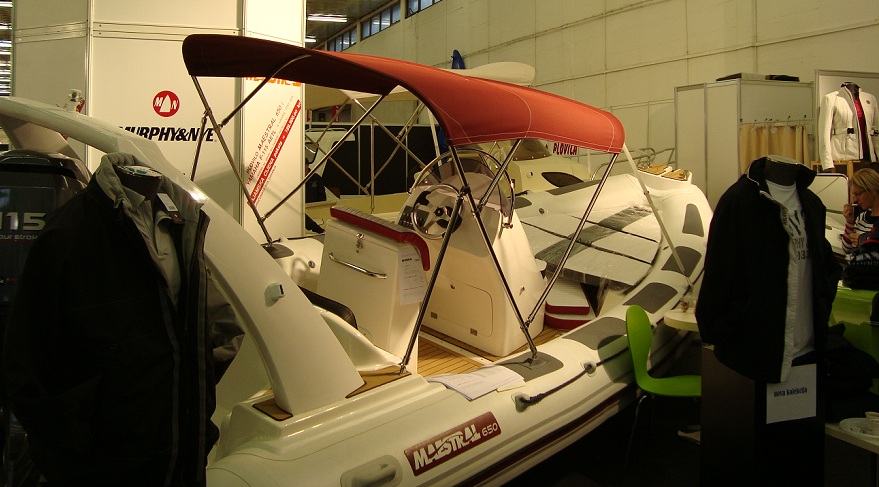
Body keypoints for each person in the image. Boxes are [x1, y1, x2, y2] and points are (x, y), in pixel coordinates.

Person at [3, 153, 240, 486]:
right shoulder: (70, 232)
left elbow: (218, 327)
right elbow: (26, 357)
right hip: (102, 463)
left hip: (179, 454)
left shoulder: (182, 222)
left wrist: (190, 399)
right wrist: (73, 442)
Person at [842, 168, 879, 254]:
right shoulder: (862, 217)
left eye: (858, 194)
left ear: (872, 190)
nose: (855, 200)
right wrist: (849, 222)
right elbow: (846, 249)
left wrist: (864, 240)